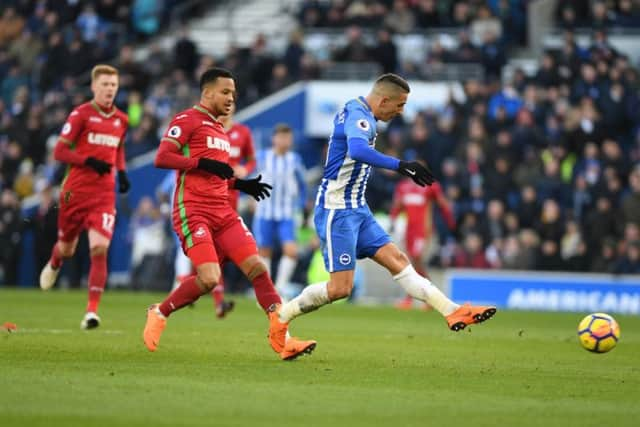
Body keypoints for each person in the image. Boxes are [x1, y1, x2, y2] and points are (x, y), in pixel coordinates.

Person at [275, 73, 496, 341]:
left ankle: (452, 311)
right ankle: (281, 319)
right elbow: (357, 150)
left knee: (399, 262)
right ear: (383, 100)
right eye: (399, 105)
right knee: (339, 289)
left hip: (358, 209)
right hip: (337, 211)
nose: (401, 111)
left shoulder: (360, 113)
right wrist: (401, 165)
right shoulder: (360, 116)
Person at [142, 67, 315, 360]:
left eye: (233, 93)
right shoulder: (187, 120)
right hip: (193, 211)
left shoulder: (220, 130)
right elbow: (163, 157)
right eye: (225, 92)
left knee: (258, 268)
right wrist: (203, 164)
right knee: (209, 279)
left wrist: (241, 184)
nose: (231, 98)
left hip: (223, 211)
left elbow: (218, 174)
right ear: (207, 92)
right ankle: (160, 311)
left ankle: (283, 339)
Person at [39, 64, 130, 330]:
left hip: (103, 194)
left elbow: (119, 148)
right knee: (67, 248)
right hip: (75, 192)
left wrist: (122, 172)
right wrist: (88, 160)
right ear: (93, 87)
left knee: (99, 248)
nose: (109, 90)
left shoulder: (122, 120)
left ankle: (91, 312)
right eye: (105, 85)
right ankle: (55, 261)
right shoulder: (81, 114)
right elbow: (59, 152)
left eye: (113, 85)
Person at [253, 124, 307, 298]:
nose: (285, 141)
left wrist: (302, 204)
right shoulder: (262, 157)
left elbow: (302, 184)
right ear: (274, 139)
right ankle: (267, 291)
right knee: (264, 252)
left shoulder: (294, 160)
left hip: (286, 214)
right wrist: (249, 198)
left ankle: (280, 288)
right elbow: (248, 177)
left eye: (288, 137)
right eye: (282, 137)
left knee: (291, 251)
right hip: (264, 212)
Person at [390, 177, 455, 310]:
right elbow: (398, 205)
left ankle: (411, 299)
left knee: (415, 262)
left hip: (423, 231)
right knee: (413, 263)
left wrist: (451, 222)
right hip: (409, 232)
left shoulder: (430, 186)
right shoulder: (403, 187)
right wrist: (393, 219)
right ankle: (431, 299)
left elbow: (442, 203)